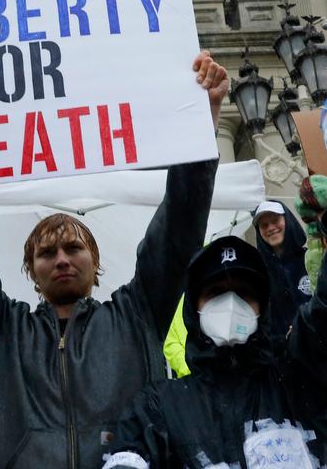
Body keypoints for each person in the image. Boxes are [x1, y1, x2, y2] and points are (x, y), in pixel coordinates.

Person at [0, 51, 228, 468]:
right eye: (47, 253)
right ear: (31, 271)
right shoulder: (2, 328)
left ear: (96, 262)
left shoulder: (138, 314)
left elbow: (179, 225)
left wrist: (202, 125)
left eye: (74, 249)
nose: (61, 259)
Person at [102, 235, 327, 469]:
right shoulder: (160, 407)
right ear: (193, 308)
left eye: (243, 293)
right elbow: (127, 458)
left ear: (263, 308)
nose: (230, 303)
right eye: (215, 293)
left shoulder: (298, 381)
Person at [252, 200, 312, 341]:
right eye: (264, 225)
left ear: (288, 220)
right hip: (280, 356)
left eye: (275, 220)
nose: (271, 228)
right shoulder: (257, 271)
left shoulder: (310, 260)